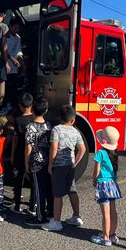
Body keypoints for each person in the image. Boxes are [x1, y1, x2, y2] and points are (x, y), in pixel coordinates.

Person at [41, 106, 86, 232]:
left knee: (57, 194)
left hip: (59, 166)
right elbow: (82, 149)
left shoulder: (56, 130)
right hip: (70, 165)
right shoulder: (76, 131)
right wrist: (75, 162)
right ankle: (76, 216)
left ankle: (56, 222)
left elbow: (54, 148)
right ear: (73, 120)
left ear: (60, 118)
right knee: (72, 190)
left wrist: (50, 164)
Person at [90, 126, 122, 246]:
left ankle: (105, 237)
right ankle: (112, 234)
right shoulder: (114, 153)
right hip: (113, 185)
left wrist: (94, 180)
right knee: (113, 211)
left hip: (103, 185)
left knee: (105, 213)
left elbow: (96, 170)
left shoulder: (100, 153)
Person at [24, 97, 53, 226]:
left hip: (36, 161)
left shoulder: (30, 127)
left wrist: (26, 163)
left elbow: (28, 146)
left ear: (32, 110)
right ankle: (51, 212)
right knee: (48, 188)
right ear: (46, 110)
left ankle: (40, 216)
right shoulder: (49, 125)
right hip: (48, 160)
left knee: (39, 189)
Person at [10, 92, 35, 212]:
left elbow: (15, 139)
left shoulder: (19, 120)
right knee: (33, 179)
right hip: (34, 153)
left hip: (20, 151)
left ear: (20, 106)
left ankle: (17, 205)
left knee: (19, 178)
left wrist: (12, 155)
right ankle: (33, 204)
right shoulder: (36, 118)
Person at [4, 18, 24, 110]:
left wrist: (22, 62)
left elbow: (19, 52)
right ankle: (4, 106)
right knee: (6, 88)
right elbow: (4, 50)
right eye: (15, 28)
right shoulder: (5, 36)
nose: (17, 30)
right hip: (6, 65)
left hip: (14, 68)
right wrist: (12, 60)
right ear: (10, 26)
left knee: (14, 88)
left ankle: (11, 107)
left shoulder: (18, 37)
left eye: (18, 29)